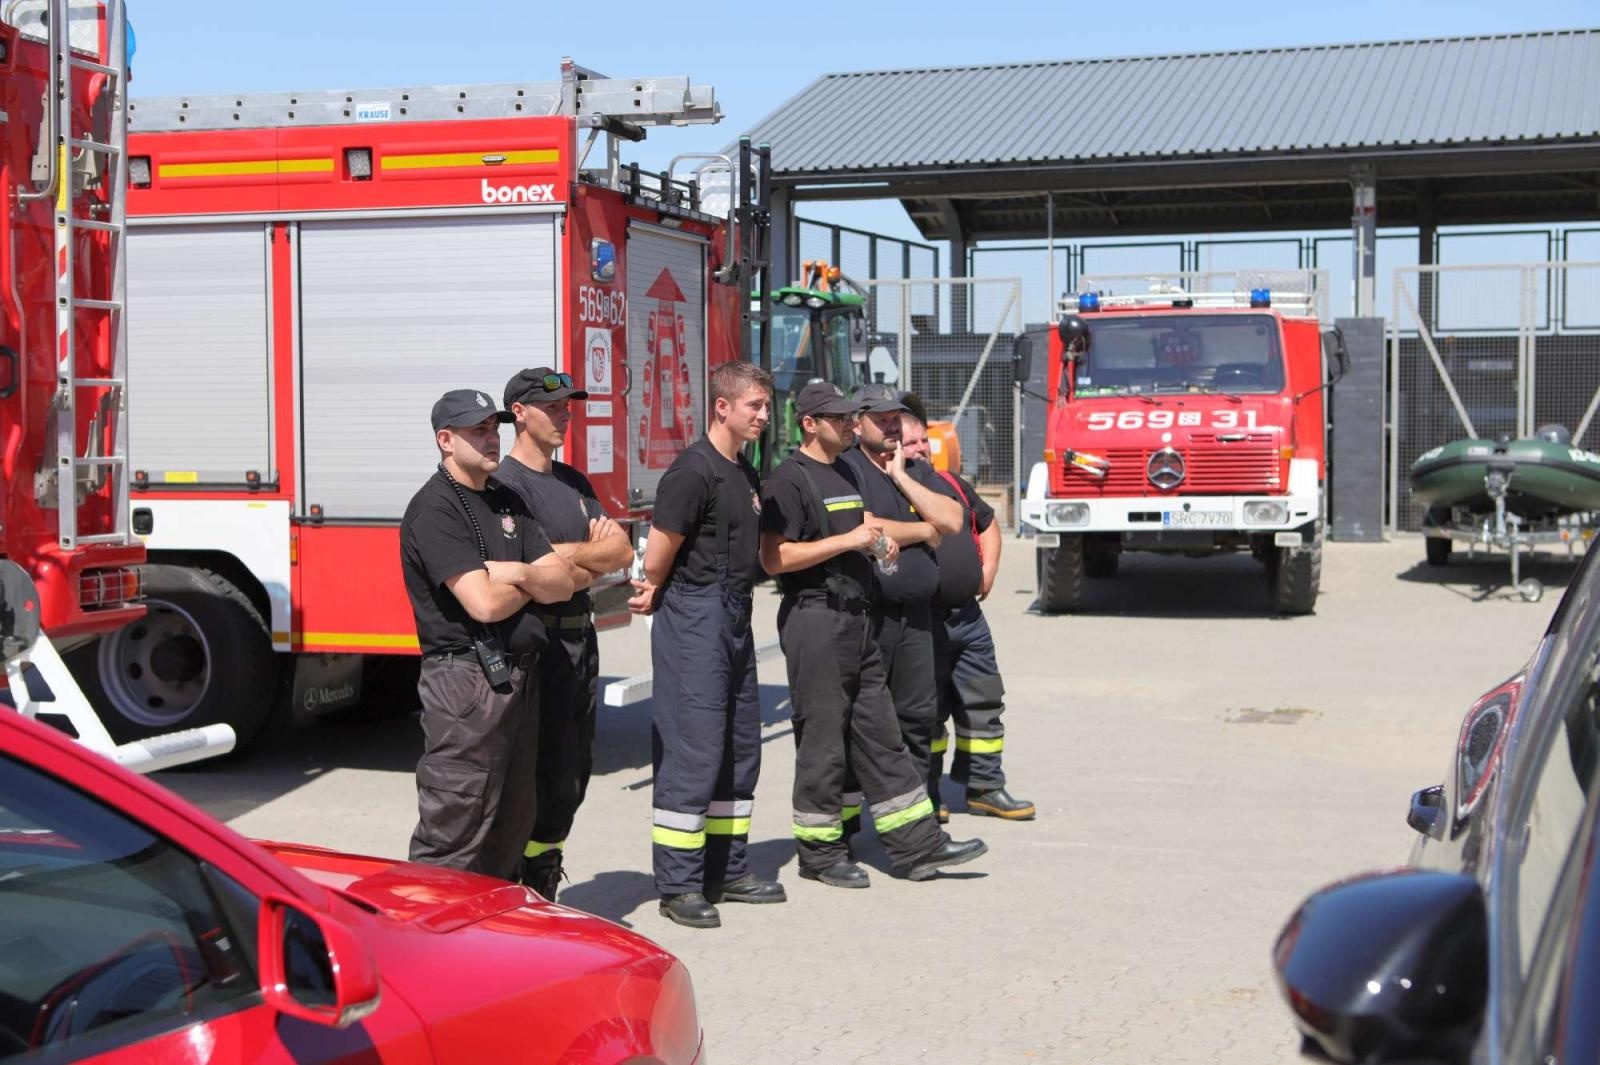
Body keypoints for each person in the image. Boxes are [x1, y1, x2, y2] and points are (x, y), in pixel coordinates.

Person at [760, 380, 987, 889]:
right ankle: (820, 854)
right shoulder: (789, 479)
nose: (848, 423)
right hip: (815, 618)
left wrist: (878, 545)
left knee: (884, 735)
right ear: (809, 424)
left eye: (849, 416)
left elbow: (864, 526)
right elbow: (774, 558)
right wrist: (850, 541)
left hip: (855, 616)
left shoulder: (842, 472)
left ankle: (918, 846)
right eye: (838, 418)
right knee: (823, 742)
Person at [399, 389, 583, 880]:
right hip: (466, 683)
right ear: (445, 440)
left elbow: (563, 583)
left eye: (494, 428)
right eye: (477, 430)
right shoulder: (436, 508)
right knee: (456, 828)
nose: (491, 438)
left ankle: (490, 926)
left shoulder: (507, 498)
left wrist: (515, 573)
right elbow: (482, 603)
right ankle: (432, 927)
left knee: (510, 823)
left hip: (519, 677)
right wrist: (533, 583)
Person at [628, 362, 787, 929]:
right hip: (696, 617)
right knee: (693, 750)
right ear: (723, 407)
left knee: (740, 748)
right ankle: (680, 885)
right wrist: (654, 587)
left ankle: (727, 870)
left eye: (765, 406)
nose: (764, 416)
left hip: (734, 615)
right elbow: (658, 555)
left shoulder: (743, 470)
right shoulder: (693, 472)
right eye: (754, 406)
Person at [497, 367, 635, 900]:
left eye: (567, 406)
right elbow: (528, 571)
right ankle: (522, 887)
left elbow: (620, 551)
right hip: (540, 643)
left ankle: (544, 874)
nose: (565, 415)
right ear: (519, 412)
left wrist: (565, 559)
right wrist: (583, 559)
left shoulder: (574, 482)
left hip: (582, 639)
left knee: (575, 773)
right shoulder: (506, 486)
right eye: (552, 406)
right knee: (543, 773)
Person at [900, 406, 1036, 822]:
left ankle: (985, 787)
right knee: (928, 713)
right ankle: (928, 794)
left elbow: (987, 521)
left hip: (968, 618)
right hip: (921, 622)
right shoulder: (889, 490)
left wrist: (988, 568)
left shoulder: (951, 482)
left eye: (923, 440)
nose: (920, 448)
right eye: (909, 443)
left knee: (984, 700)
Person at [838, 383, 964, 795]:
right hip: (869, 618)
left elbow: (952, 519)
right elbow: (865, 526)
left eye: (895, 418)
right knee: (861, 719)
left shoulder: (911, 468)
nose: (892, 426)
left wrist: (901, 477)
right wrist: (924, 530)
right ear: (858, 425)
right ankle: (850, 821)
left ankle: (916, 816)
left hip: (916, 619)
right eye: (882, 420)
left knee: (918, 718)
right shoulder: (847, 468)